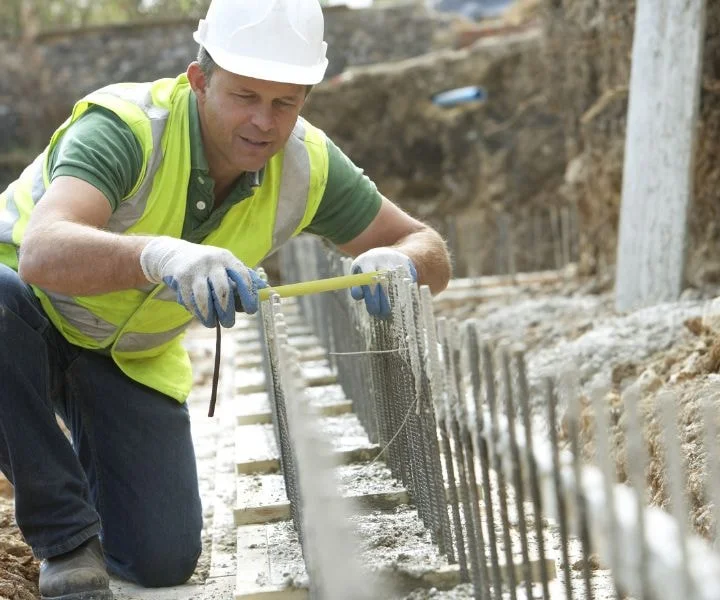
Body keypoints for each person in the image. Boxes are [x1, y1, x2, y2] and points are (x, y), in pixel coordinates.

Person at [0, 0, 451, 598]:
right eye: (244, 95)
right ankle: (64, 537)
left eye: (285, 102)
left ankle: (73, 468)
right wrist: (162, 257)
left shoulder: (306, 164)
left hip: (126, 356)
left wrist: (400, 261)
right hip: (26, 314)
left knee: (160, 559)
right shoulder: (128, 127)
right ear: (199, 80)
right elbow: (43, 251)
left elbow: (428, 247)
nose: (264, 122)